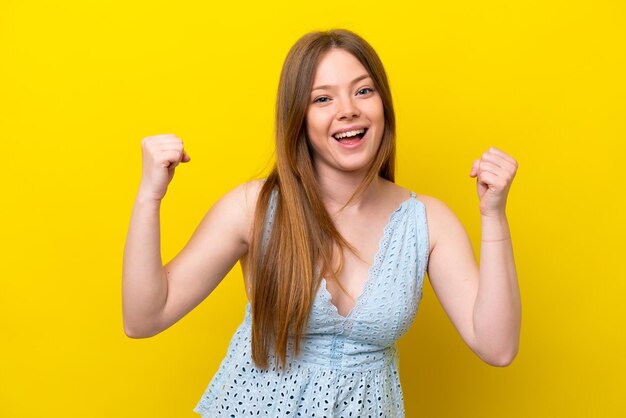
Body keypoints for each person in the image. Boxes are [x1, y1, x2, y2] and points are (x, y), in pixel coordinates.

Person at [122, 29, 521, 417]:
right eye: (322, 98)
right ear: (299, 118)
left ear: (383, 105)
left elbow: (497, 346)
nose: (348, 108)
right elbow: (144, 318)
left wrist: (493, 216)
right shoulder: (256, 207)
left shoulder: (428, 222)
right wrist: (149, 197)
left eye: (363, 90)